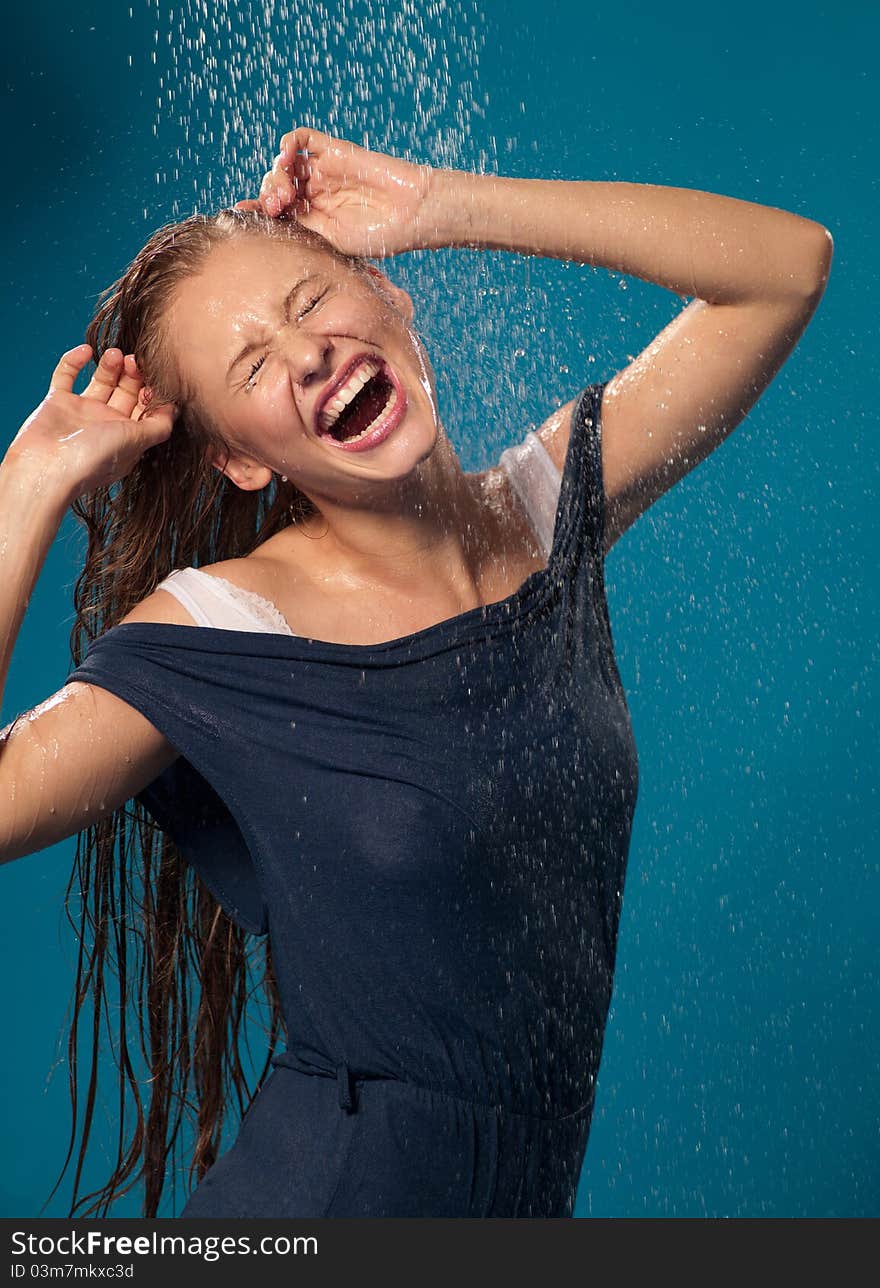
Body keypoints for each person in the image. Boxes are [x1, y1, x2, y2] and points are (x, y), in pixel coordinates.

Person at [0, 127, 833, 1218]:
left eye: (310, 303)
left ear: (392, 299)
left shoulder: (548, 518)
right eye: (252, 364)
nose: (302, 354)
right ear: (245, 459)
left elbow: (782, 270)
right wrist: (27, 485)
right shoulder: (224, 627)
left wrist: (437, 202)